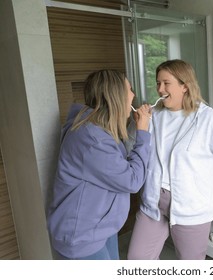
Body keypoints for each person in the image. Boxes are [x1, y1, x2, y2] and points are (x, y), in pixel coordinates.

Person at [127, 59, 213, 260]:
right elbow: (133, 146)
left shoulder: (209, 120)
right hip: (152, 202)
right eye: (158, 83)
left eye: (166, 83)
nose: (160, 89)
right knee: (137, 259)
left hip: (190, 208)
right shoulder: (154, 115)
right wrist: (138, 124)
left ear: (185, 85)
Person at [47, 69, 152, 260]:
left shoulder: (97, 129)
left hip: (100, 227)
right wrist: (143, 132)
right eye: (129, 89)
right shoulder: (92, 139)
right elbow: (132, 181)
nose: (134, 95)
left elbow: (115, 166)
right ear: (116, 96)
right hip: (81, 238)